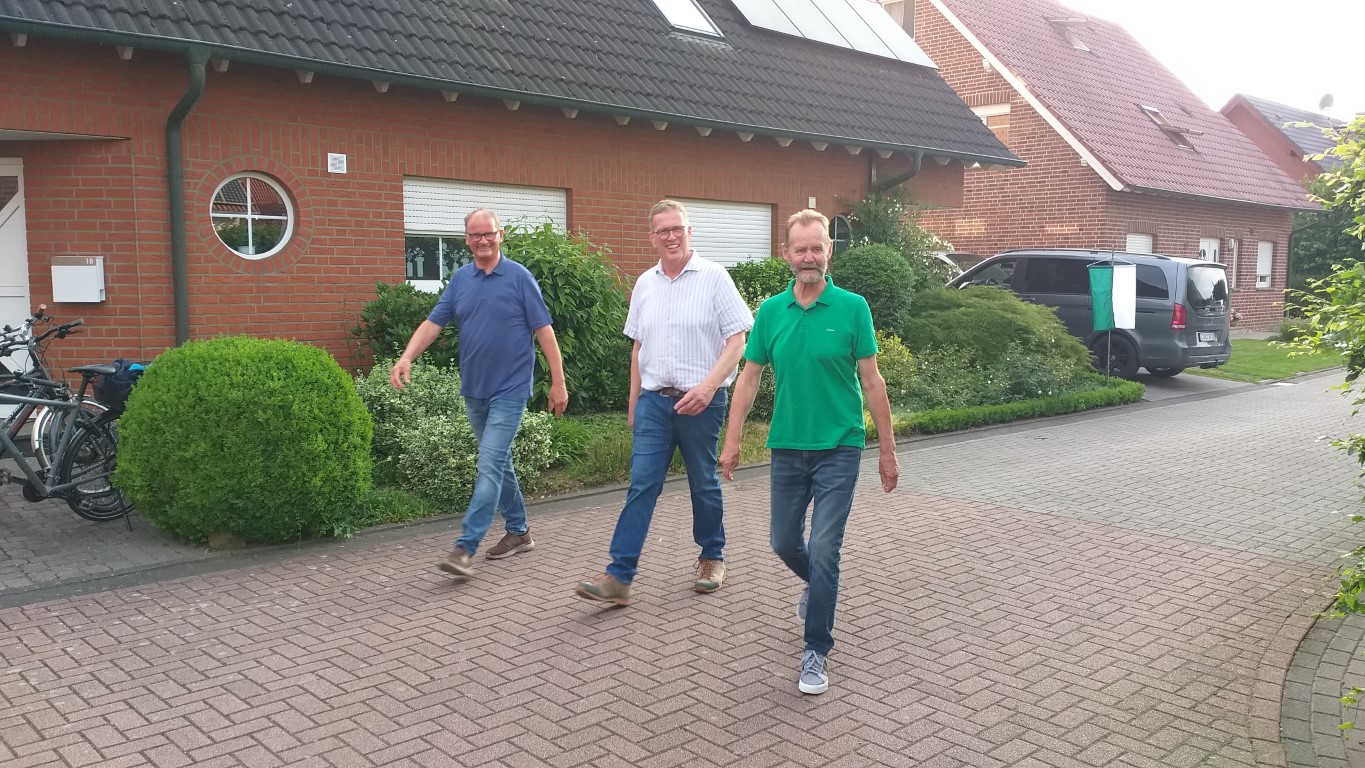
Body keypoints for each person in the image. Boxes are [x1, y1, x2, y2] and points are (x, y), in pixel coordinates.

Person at [719, 209, 899, 695]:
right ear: (786, 253)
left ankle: (816, 649)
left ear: (829, 251)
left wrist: (887, 450)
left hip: (839, 445)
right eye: (800, 249)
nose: (809, 257)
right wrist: (732, 440)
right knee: (783, 542)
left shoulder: (853, 308)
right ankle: (819, 586)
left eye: (817, 248)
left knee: (823, 548)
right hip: (787, 447)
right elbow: (748, 378)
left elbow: (872, 381)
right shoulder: (771, 312)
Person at [575, 199, 753, 605]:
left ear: (689, 232)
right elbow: (639, 346)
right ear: (652, 238)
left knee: (703, 483)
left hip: (702, 403)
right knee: (642, 484)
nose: (671, 236)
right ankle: (619, 576)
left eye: (678, 229)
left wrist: (708, 387)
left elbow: (737, 340)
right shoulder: (645, 283)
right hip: (655, 403)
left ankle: (712, 556)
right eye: (663, 231)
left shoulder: (714, 277)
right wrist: (634, 401)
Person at [390, 208, 568, 577]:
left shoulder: (519, 278)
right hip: (474, 390)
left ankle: (464, 548)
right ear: (467, 240)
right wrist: (406, 357)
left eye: (489, 234)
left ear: (500, 235)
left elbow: (544, 331)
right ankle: (519, 532)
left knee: (488, 465)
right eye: (476, 235)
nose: (483, 240)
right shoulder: (460, 280)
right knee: (499, 463)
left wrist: (558, 382)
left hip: (510, 390)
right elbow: (433, 323)